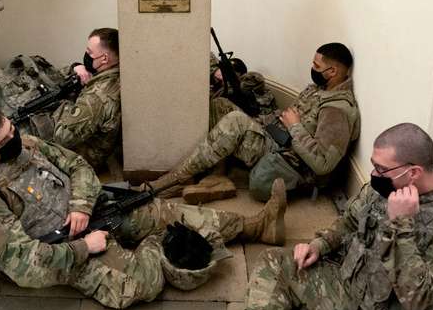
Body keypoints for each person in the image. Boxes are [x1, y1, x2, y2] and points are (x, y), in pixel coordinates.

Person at [0, 106, 289, 310]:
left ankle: (257, 226)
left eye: (11, 129)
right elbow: (22, 265)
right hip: (65, 251)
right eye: (2, 143)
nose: (15, 139)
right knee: (141, 286)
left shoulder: (29, 143)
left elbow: (79, 166)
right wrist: (83, 246)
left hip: (95, 211)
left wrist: (82, 206)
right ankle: (155, 244)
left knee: (165, 212)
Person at [244, 123, 433, 310]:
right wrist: (318, 246)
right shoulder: (385, 187)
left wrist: (402, 225)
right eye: (374, 165)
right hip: (352, 294)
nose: (373, 174)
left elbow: (420, 301)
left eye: (381, 168)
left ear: (413, 172)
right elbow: (349, 223)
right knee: (274, 262)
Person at [149, 43, 360, 204]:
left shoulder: (337, 110)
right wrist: (264, 120)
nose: (312, 69)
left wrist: (294, 126)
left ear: (332, 71)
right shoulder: (318, 89)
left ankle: (175, 179)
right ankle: (216, 175)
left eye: (316, 66)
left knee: (235, 121)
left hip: (289, 158)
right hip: (277, 136)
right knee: (220, 105)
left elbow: (323, 164)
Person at [0, 28, 121, 170]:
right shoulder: (108, 74)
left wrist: (58, 104)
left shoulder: (96, 97)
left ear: (104, 58)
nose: (87, 55)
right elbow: (62, 77)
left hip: (82, 157)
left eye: (90, 52)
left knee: (18, 139)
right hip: (80, 141)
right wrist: (77, 67)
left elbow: (62, 136)